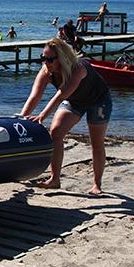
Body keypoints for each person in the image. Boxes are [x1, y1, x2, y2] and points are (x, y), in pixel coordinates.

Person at [20, 36, 112, 195]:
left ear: (61, 58)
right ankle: (54, 179)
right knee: (55, 132)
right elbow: (35, 96)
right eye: (43, 58)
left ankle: (97, 184)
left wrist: (42, 116)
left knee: (96, 142)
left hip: (98, 100)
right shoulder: (46, 70)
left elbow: (61, 95)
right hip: (75, 101)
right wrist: (20, 118)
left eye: (50, 59)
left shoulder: (78, 68)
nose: (46, 62)